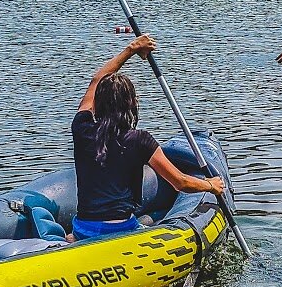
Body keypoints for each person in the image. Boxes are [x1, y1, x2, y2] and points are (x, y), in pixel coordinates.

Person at [72, 35, 226, 241]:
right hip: (120, 229)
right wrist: (211, 185)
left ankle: (72, 240)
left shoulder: (82, 127)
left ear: (98, 103)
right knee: (148, 222)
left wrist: (131, 50)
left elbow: (96, 81)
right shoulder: (140, 140)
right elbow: (180, 182)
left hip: (83, 228)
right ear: (131, 104)